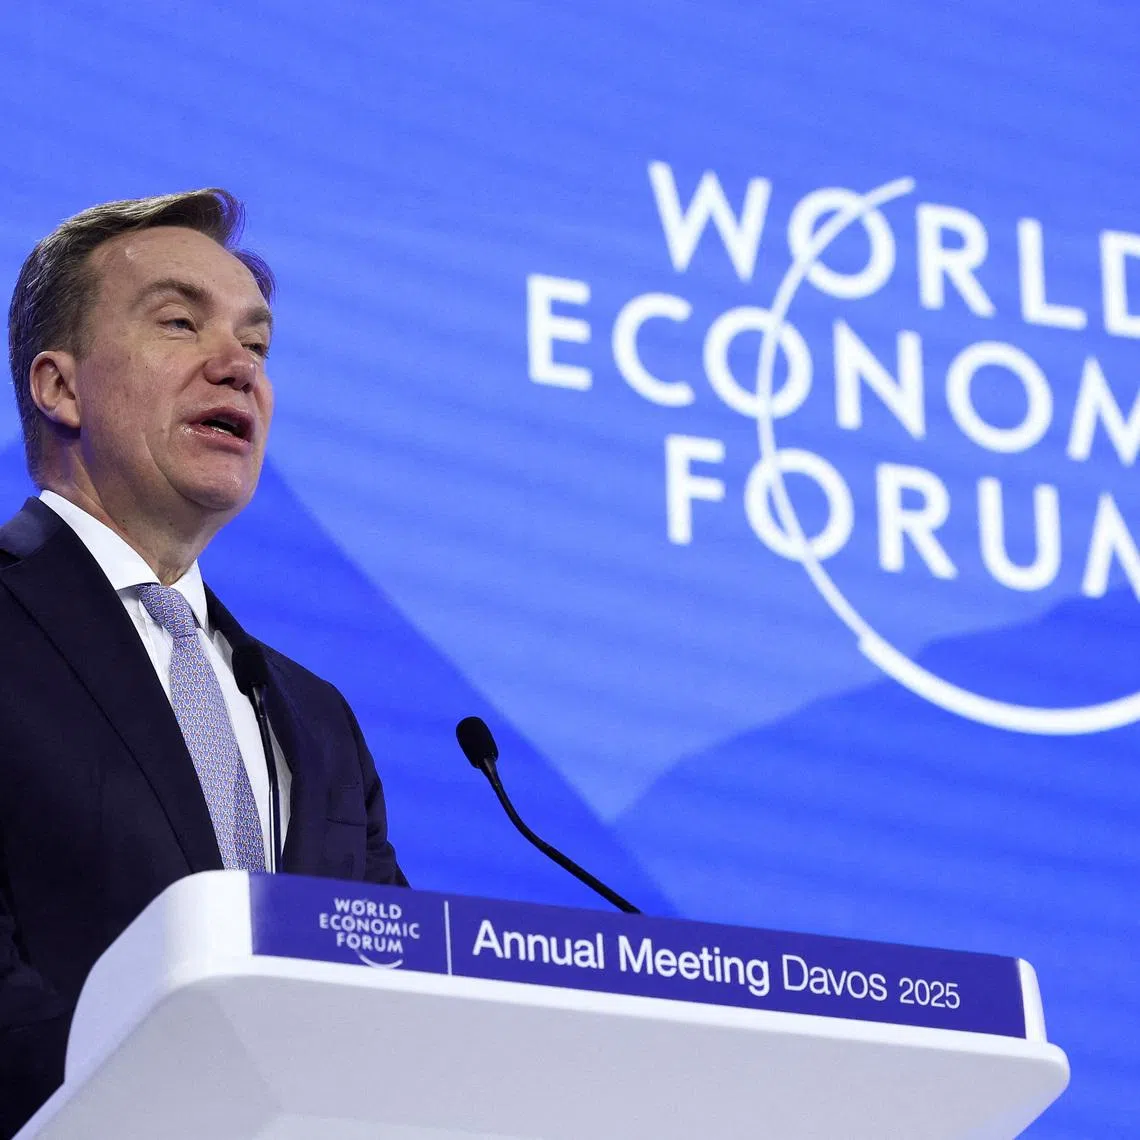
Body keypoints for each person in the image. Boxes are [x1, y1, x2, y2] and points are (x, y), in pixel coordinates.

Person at [0, 190, 406, 1136]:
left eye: (258, 347)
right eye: (179, 324)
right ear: (58, 388)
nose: (237, 368)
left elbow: (392, 999)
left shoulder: (317, 720)